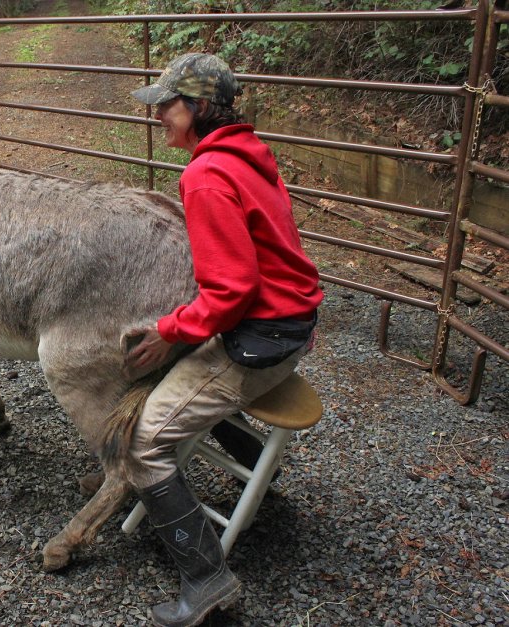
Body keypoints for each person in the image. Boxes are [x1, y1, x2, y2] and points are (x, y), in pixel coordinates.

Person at [125, 53, 323, 626]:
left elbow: (231, 291)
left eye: (168, 103)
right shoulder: (247, 156)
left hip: (259, 339)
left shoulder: (206, 175)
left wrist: (169, 330)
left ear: (201, 108)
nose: (159, 113)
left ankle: (208, 580)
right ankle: (257, 466)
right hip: (292, 326)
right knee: (187, 366)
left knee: (145, 441)